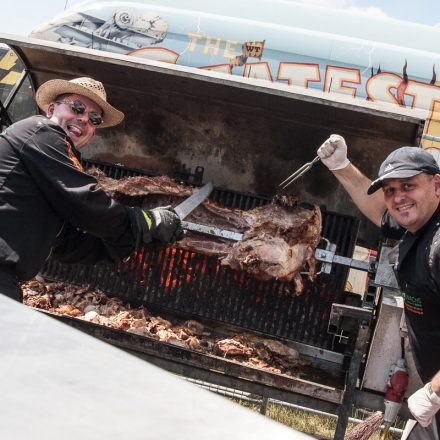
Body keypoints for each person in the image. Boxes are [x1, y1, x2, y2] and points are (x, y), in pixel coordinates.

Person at [0, 77, 183, 302]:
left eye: (94, 118)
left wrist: (128, 243)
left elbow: (68, 244)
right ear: (51, 109)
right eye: (77, 107)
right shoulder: (40, 132)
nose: (84, 118)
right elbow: (85, 201)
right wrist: (146, 222)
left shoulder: (53, 169)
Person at [317, 135, 440, 439]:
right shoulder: (419, 222)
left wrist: (435, 392)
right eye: (391, 191)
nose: (398, 198)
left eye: (408, 186)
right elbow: (382, 213)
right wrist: (341, 167)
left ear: (437, 185)